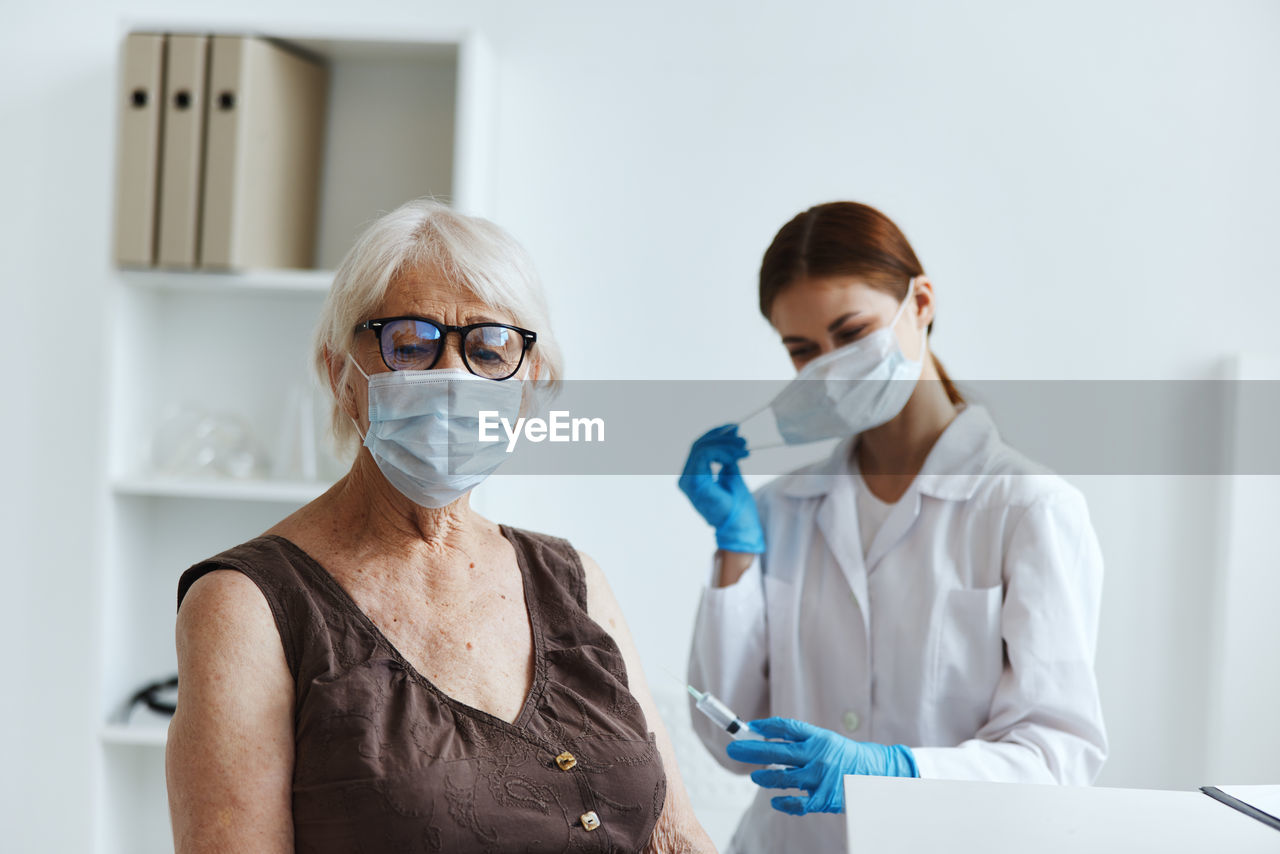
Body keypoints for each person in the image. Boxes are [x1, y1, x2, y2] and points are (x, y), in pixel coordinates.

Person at [167, 199, 715, 853]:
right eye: (411, 344)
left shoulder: (573, 578)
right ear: (340, 372)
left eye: (489, 349)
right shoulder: (245, 605)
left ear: (528, 381)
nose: (453, 379)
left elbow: (674, 835)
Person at [679, 201, 1107, 853]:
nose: (830, 366)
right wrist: (736, 549)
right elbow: (730, 742)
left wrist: (897, 773)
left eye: (852, 333)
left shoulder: (1027, 508)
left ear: (922, 303)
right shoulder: (779, 511)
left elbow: (1056, 759)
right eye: (803, 350)